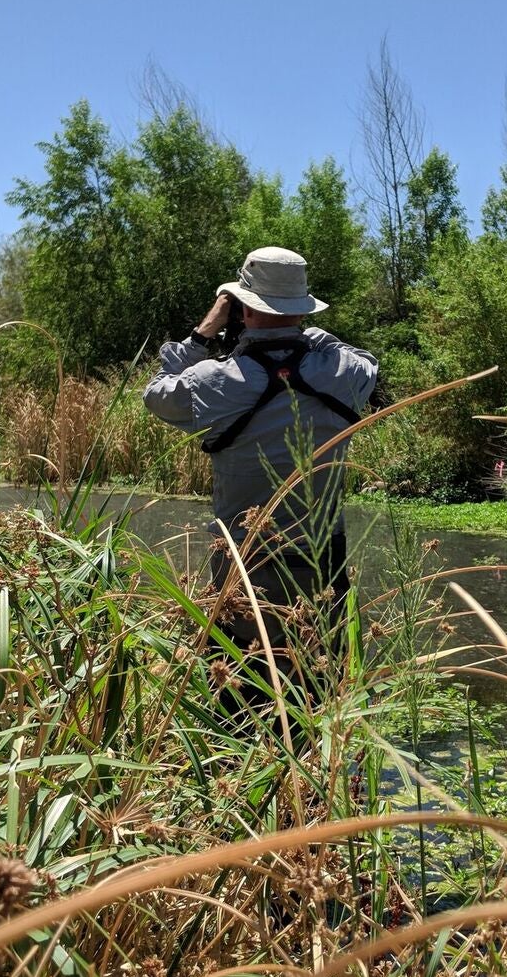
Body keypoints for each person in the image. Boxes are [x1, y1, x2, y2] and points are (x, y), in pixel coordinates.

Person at [143, 246, 378, 736]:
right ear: (302, 308)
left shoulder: (215, 380)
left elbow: (157, 393)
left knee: (242, 710)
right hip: (323, 567)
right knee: (319, 705)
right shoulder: (344, 373)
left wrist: (206, 330)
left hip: (243, 571)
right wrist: (301, 329)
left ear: (244, 307)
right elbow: (364, 360)